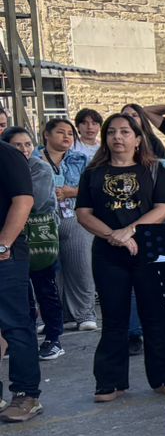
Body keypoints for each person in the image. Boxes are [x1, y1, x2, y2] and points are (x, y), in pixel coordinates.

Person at [75, 113, 165, 402]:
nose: (117, 137)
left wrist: (129, 230)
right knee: (114, 317)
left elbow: (163, 208)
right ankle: (110, 381)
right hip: (108, 254)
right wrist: (113, 235)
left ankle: (164, 376)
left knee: (155, 316)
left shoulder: (155, 169)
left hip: (150, 252)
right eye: (111, 132)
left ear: (137, 139)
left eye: (125, 132)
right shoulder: (93, 172)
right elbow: (83, 214)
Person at [3, 127, 64, 363]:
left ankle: (54, 337)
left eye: (28, 144)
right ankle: (23, 340)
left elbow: (33, 201)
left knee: (45, 287)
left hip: (39, 236)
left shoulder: (40, 168)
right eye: (18, 145)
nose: (24, 149)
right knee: (21, 292)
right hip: (14, 238)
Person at [38, 118, 95, 332]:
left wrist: (72, 191)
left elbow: (94, 187)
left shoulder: (81, 159)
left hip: (74, 216)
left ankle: (84, 314)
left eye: (70, 133)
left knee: (81, 267)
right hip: (43, 219)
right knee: (49, 271)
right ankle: (52, 317)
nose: (66, 137)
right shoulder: (33, 159)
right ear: (47, 134)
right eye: (61, 132)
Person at [0, 136, 41, 421]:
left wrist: (3, 245)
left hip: (6, 256)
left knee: (15, 324)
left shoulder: (7, 155)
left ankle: (27, 395)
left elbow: (24, 201)